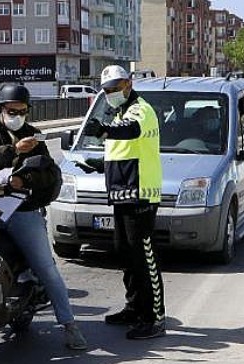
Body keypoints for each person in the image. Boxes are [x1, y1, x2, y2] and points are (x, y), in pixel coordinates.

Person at [0, 83, 88, 351]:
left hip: (21, 209)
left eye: (22, 111)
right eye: (12, 111)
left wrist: (25, 179)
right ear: (1, 108)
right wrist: (14, 151)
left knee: (46, 267)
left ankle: (69, 325)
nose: (17, 115)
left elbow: (49, 172)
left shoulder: (34, 136)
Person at [78, 65, 166, 340]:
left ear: (128, 84)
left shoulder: (141, 109)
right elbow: (126, 152)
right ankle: (134, 307)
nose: (111, 93)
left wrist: (102, 131)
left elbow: (130, 132)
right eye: (106, 90)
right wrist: (101, 165)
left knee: (144, 257)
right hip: (122, 193)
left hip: (141, 194)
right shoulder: (119, 112)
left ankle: (155, 318)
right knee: (125, 254)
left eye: (115, 88)